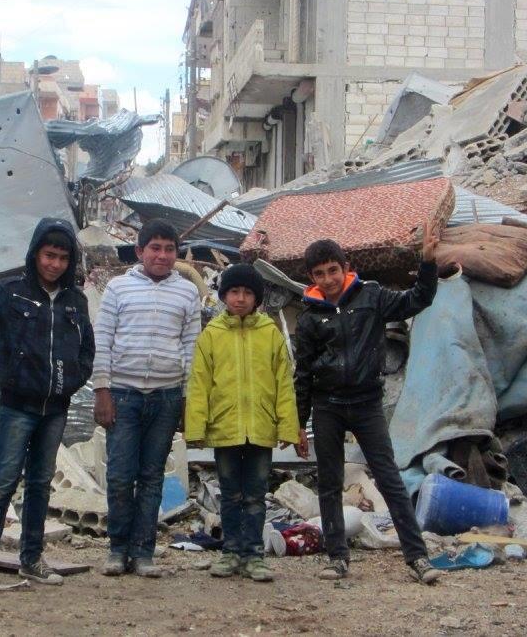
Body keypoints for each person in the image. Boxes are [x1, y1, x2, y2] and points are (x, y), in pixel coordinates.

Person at [294, 222, 443, 584]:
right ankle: (337, 557)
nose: (328, 279)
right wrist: (299, 422)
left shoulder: (372, 296)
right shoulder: (310, 317)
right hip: (327, 405)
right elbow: (302, 373)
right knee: (329, 482)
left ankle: (417, 558)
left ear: (346, 267)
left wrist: (427, 263)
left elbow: (418, 299)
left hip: (366, 403)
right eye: (320, 273)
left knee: (389, 479)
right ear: (311, 277)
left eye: (333, 270)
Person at [0, 218, 95, 587]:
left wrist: (72, 382)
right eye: (49, 255)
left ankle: (32, 560)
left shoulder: (75, 300)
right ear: (35, 255)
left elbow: (86, 349)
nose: (55, 264)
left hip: (55, 410)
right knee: (3, 483)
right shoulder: (12, 291)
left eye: (63, 257)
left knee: (40, 485)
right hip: (17, 407)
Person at [92, 218, 201, 578]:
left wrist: (187, 400)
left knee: (152, 476)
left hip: (167, 397)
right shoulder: (118, 289)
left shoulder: (187, 293)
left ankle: (143, 553)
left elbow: (191, 349)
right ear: (140, 252)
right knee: (121, 476)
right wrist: (102, 390)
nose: (162, 255)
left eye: (169, 249)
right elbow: (103, 341)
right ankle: (117, 549)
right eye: (155, 248)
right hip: (122, 395)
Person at [185, 263, 306, 582]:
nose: (240, 298)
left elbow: (283, 383)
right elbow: (200, 383)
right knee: (231, 494)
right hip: (225, 431)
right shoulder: (211, 335)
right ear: (224, 296)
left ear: (257, 298)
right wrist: (196, 429)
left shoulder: (270, 335)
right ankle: (230, 553)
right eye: (234, 292)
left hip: (261, 431)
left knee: (254, 494)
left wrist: (287, 427)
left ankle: (253, 555)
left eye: (247, 292)